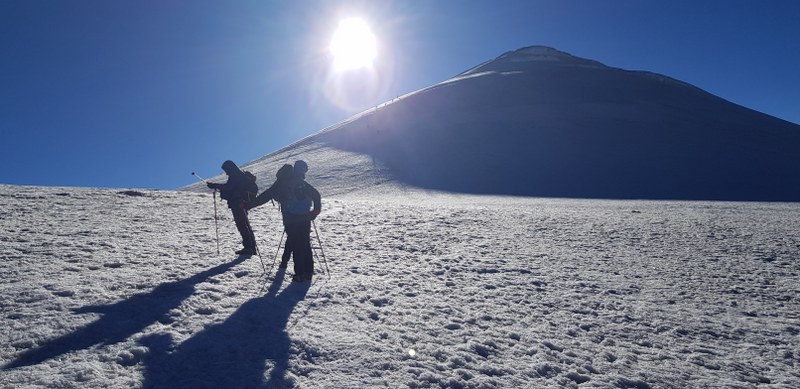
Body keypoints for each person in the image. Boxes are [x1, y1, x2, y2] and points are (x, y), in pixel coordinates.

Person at [246, 160, 321, 282]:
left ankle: (299, 274)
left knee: (296, 245)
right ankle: (308, 271)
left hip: (290, 219)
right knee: (305, 243)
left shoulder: (281, 183)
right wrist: (315, 211)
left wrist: (248, 205)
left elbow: (265, 196)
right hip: (305, 217)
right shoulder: (303, 183)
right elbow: (316, 195)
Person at [206, 160, 258, 256]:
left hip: (238, 202)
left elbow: (229, 187)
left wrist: (214, 185)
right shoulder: (239, 174)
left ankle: (248, 248)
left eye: (226, 169)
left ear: (229, 168)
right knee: (245, 225)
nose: (226, 172)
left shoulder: (235, 175)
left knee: (242, 225)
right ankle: (251, 248)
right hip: (243, 202)